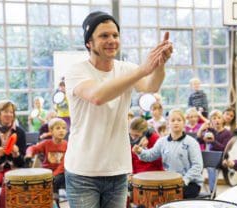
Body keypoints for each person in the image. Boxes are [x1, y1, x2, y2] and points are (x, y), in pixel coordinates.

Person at [64, 11, 172, 208]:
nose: (112, 40)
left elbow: (151, 86)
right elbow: (98, 96)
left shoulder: (126, 69)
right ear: (89, 42)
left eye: (115, 35)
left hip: (118, 170)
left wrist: (159, 65)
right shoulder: (76, 71)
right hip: (83, 172)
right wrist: (142, 70)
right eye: (104, 36)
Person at [133, 109, 203, 199]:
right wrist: (140, 151)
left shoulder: (192, 143)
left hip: (190, 183)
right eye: (172, 120)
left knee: (168, 197)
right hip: (169, 182)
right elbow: (150, 156)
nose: (176, 123)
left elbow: (197, 166)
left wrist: (185, 180)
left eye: (179, 120)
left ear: (184, 123)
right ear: (168, 123)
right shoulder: (162, 141)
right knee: (151, 196)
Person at [25, 118, 68, 207]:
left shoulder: (67, 145)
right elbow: (33, 148)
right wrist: (29, 154)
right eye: (58, 128)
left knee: (54, 181)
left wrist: (53, 175)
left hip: (61, 172)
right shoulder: (46, 143)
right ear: (51, 131)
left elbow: (63, 165)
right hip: (47, 171)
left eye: (64, 128)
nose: (61, 131)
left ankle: (54, 203)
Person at [197, 109, 232, 194]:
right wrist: (201, 130)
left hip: (221, 158)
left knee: (211, 168)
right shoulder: (209, 131)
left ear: (222, 119)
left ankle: (213, 192)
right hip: (209, 157)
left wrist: (213, 141)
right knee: (196, 165)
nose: (217, 120)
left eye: (219, 118)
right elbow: (198, 141)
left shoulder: (227, 133)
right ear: (211, 121)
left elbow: (224, 149)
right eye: (214, 118)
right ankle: (196, 189)